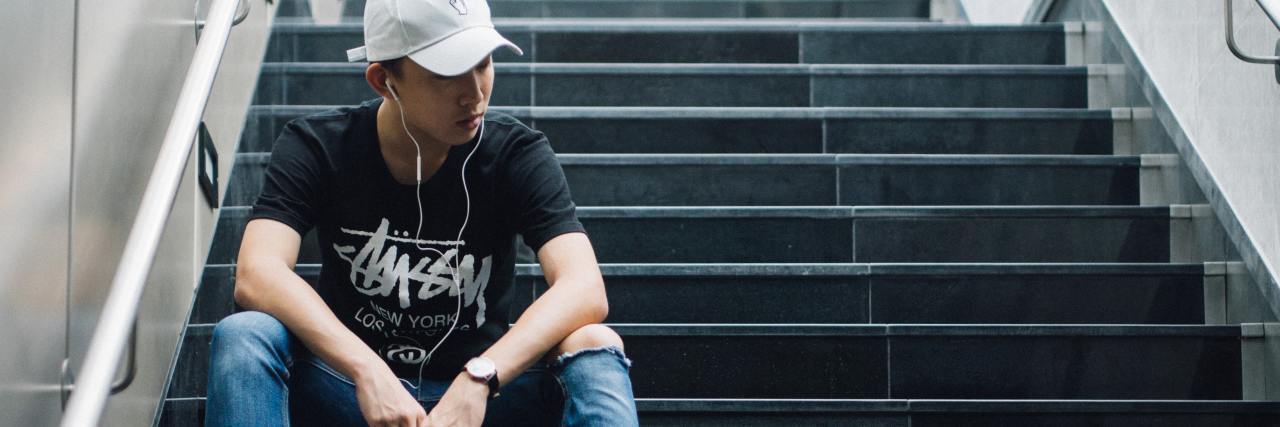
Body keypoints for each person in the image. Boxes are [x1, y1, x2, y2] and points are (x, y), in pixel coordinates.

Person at [203, 0, 639, 425]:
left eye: (484, 63)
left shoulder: (516, 153)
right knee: (245, 334)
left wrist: (481, 376)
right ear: (382, 80)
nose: (475, 93)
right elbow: (257, 272)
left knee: (593, 343)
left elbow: (584, 288)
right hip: (352, 392)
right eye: (447, 74)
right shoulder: (317, 145)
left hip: (479, 402)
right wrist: (366, 368)